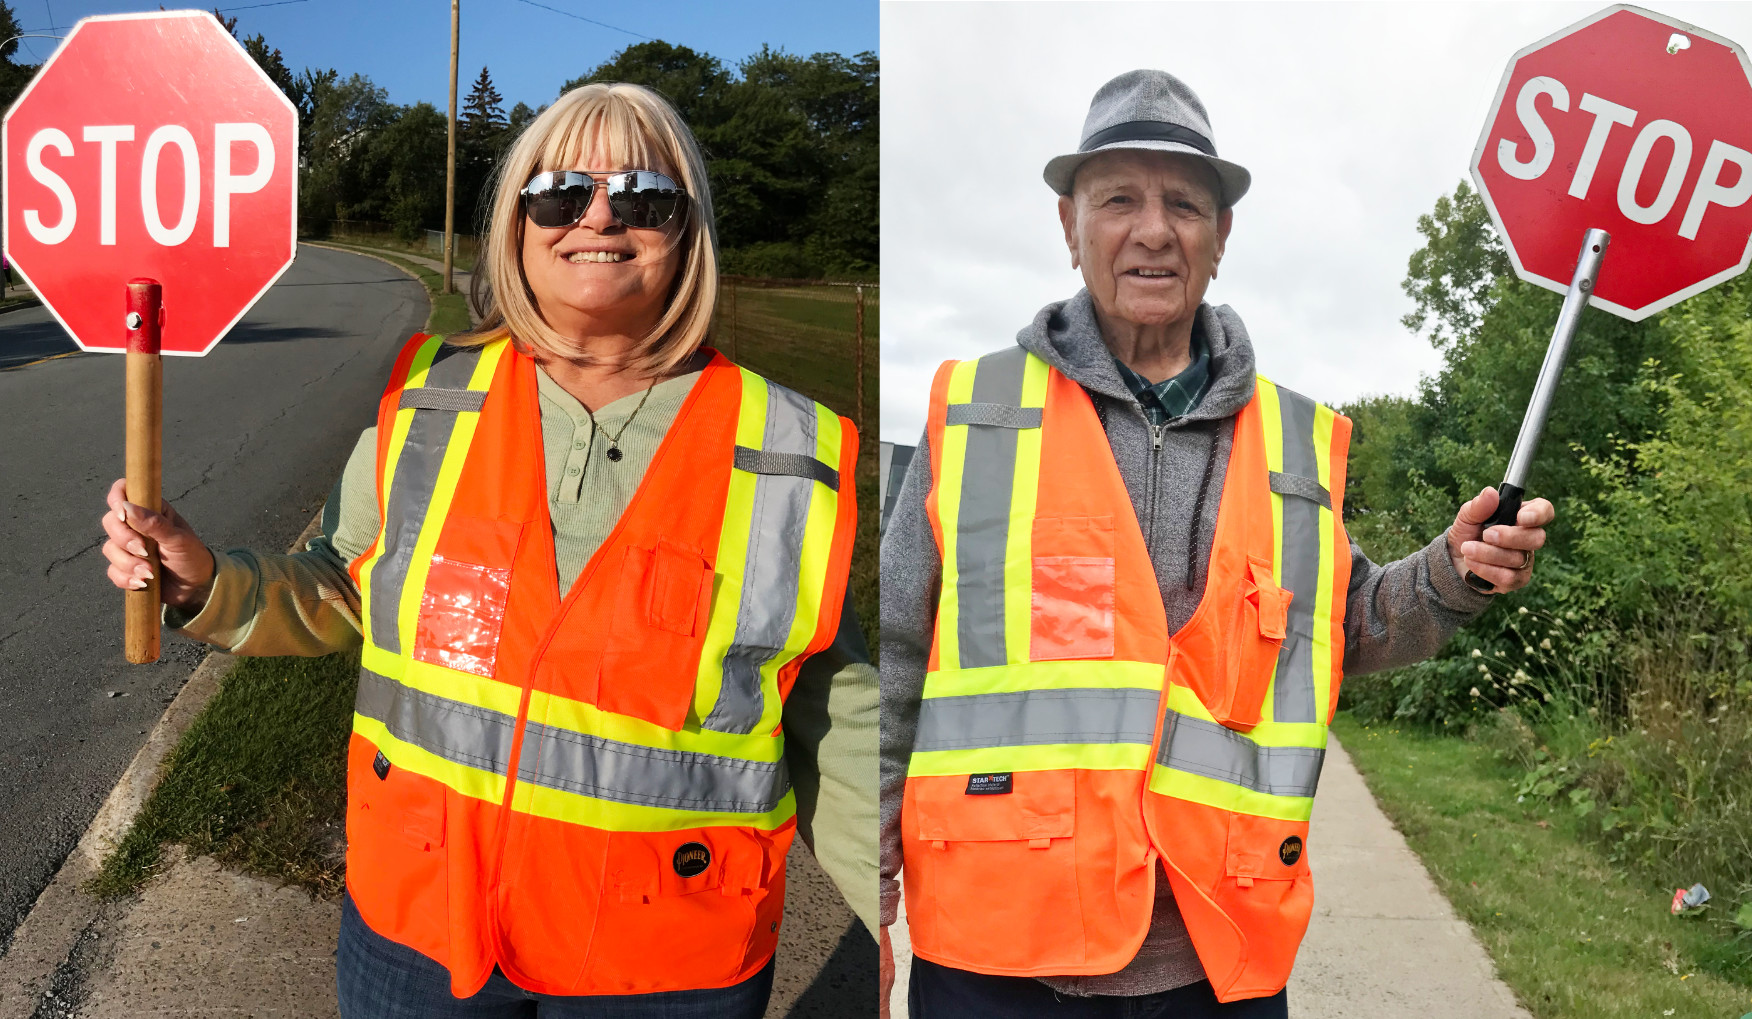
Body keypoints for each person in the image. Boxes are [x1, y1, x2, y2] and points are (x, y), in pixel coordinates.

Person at [99, 82, 877, 1018]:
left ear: (690, 231)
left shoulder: (789, 450)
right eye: (559, 191)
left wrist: (931, 945)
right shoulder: (434, 399)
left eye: (643, 195)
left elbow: (845, 733)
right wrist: (207, 581)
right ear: (516, 223)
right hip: (420, 937)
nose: (598, 215)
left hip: (665, 965)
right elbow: (342, 586)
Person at [877, 69, 1553, 1018]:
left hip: (1212, 955)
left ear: (1220, 238)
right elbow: (899, 658)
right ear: (1069, 227)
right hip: (997, 957)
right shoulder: (978, 416)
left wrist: (1452, 572)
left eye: (1184, 204)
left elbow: (1342, 627)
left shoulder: (1294, 446)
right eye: (1118, 199)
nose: (1153, 229)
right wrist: (870, 890)